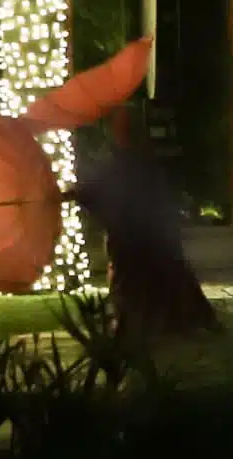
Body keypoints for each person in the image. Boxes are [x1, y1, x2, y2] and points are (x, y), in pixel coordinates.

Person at [79, 140, 217, 342]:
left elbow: (97, 196)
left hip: (137, 236)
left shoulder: (126, 169)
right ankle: (149, 322)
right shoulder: (129, 169)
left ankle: (149, 322)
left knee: (145, 279)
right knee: (146, 278)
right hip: (136, 235)